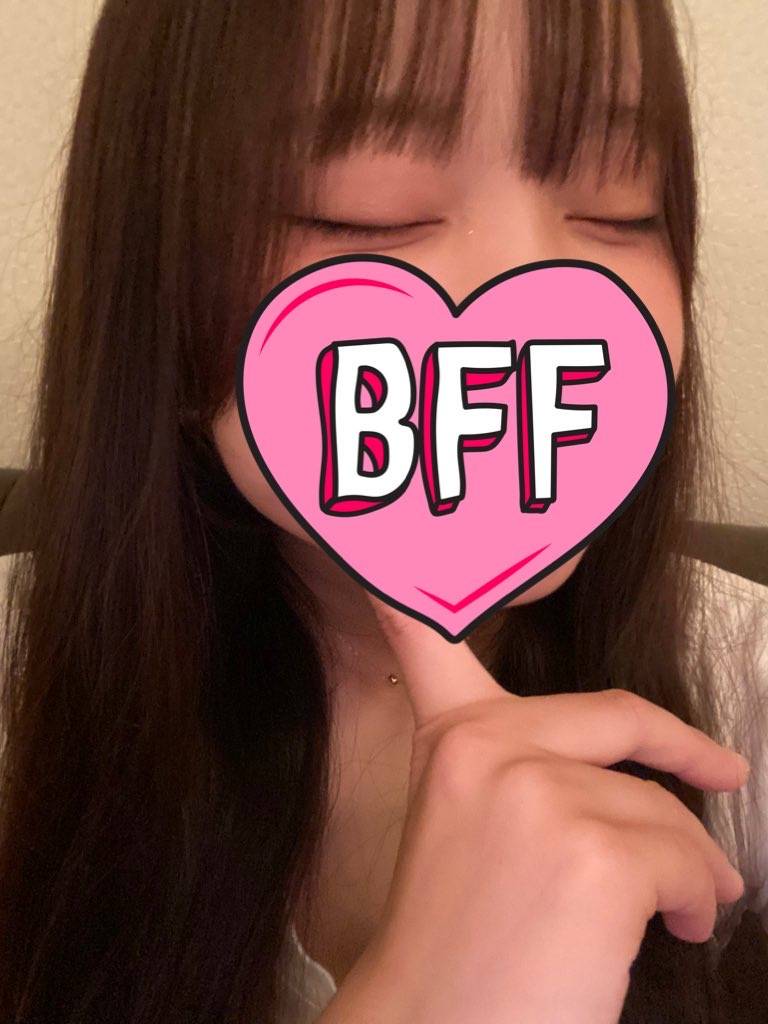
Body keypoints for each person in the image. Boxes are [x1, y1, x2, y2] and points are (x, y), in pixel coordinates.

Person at [0, 0, 766, 1021]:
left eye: (620, 205)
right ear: (159, 278)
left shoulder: (745, 683)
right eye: (363, 208)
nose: (534, 294)